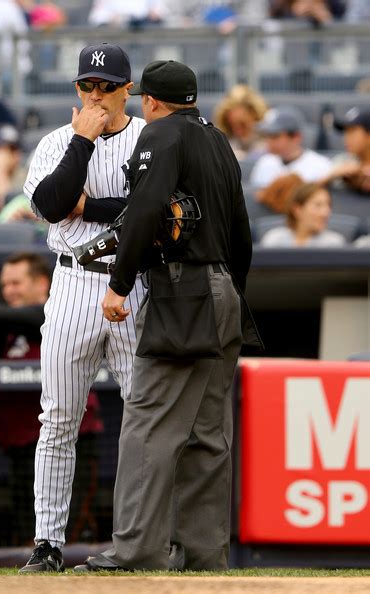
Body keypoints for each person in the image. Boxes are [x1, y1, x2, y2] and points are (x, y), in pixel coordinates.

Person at [75, 59, 261, 572]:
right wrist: (230, 293)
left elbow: (145, 210)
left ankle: (135, 550)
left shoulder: (160, 135)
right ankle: (203, 555)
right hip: (223, 289)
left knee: (148, 420)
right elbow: (242, 229)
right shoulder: (219, 141)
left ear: (151, 102)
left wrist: (116, 285)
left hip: (185, 289)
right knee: (207, 432)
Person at [18, 42, 146, 573]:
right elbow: (49, 205)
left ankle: (144, 539)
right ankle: (47, 545)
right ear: (77, 88)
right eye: (87, 86)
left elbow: (151, 209)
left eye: (107, 87)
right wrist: (83, 142)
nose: (96, 96)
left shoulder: (148, 138)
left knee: (143, 418)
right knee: (58, 420)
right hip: (71, 285)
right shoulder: (56, 142)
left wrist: (87, 206)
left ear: (127, 89)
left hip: (134, 283)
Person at [0, 252, 104, 546]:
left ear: (41, 282)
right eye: (4, 284)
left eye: (16, 283)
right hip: (20, 446)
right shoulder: (2, 331)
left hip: (71, 442)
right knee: (26, 531)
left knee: (72, 533)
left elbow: (4, 316)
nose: (9, 291)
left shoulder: (59, 313)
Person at [249, 107, 333, 211]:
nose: (269, 142)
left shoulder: (321, 165)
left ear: (296, 137)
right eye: (267, 136)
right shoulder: (264, 163)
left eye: (275, 136)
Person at [260, 182, 346, 247]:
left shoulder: (334, 243)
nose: (326, 212)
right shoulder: (274, 240)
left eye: (328, 205)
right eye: (318, 205)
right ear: (298, 210)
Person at [212, 84, 268, 160]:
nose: (237, 130)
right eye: (231, 125)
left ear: (255, 117)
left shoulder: (270, 143)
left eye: (242, 124)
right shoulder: (225, 144)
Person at [322, 107, 370, 195]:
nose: (346, 138)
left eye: (352, 132)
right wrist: (332, 175)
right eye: (345, 132)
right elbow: (305, 195)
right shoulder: (341, 162)